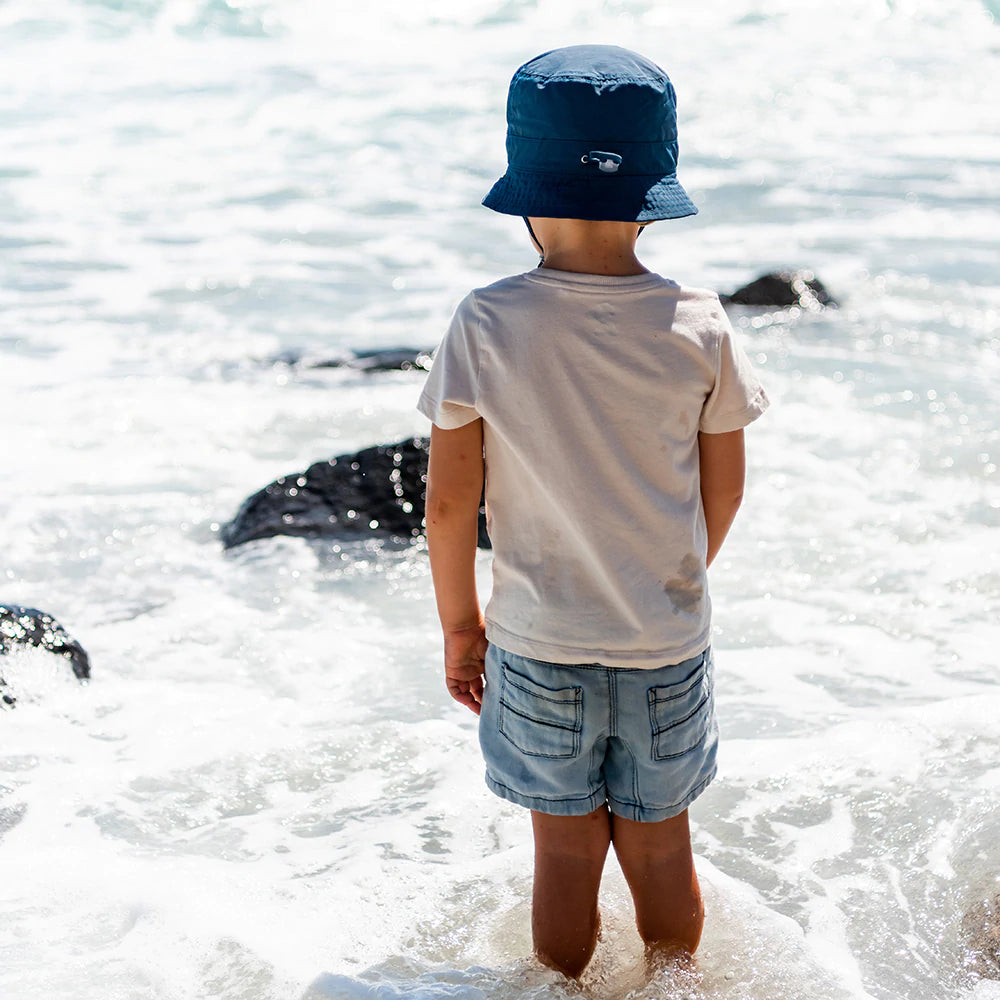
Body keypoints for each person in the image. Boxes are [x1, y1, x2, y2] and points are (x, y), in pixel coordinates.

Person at [417, 44, 769, 980]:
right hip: (662, 638)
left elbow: (451, 502)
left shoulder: (487, 321)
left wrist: (463, 629)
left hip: (539, 642)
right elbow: (723, 486)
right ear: (656, 182)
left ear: (526, 186)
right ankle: (676, 987)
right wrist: (672, 578)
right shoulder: (699, 322)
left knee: (564, 857)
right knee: (663, 851)